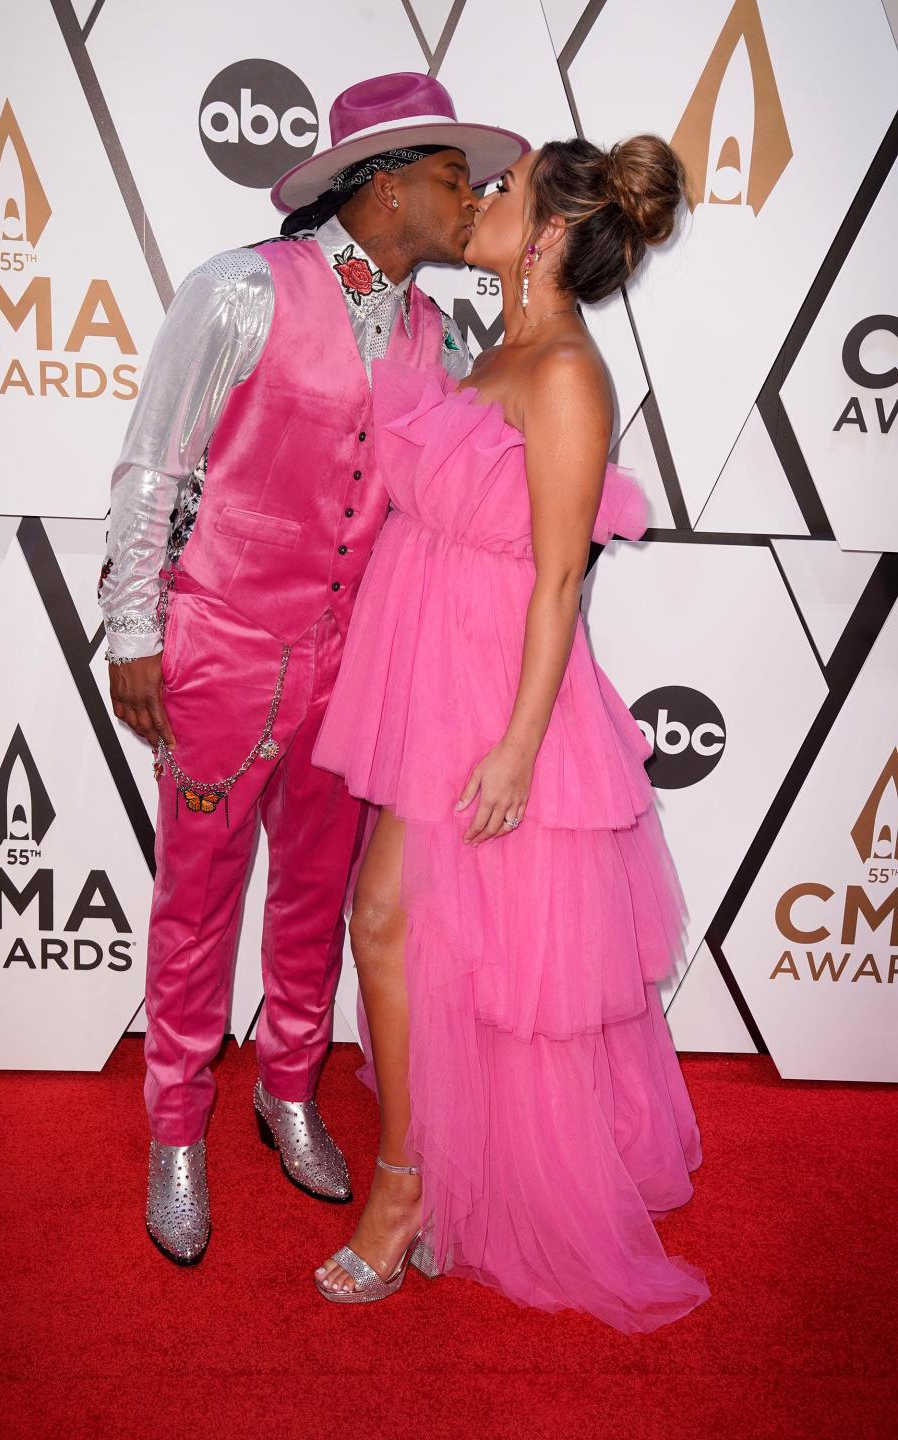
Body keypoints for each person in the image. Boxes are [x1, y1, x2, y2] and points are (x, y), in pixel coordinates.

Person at [99, 71, 528, 1264]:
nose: (472, 193)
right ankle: (175, 1126)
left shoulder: (439, 334)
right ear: (383, 185)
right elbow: (154, 469)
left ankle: (289, 1086)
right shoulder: (240, 290)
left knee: (316, 901)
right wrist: (136, 631)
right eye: (453, 174)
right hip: (222, 654)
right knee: (195, 905)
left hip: (358, 670)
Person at [311, 135, 711, 1330]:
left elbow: (557, 583)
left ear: (542, 239)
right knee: (396, 934)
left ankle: (402, 1188)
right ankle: (423, 1170)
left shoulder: (570, 376)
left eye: (503, 194)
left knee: (445, 950)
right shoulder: (498, 349)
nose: (480, 204)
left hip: (494, 695)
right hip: (424, 679)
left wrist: (520, 746)